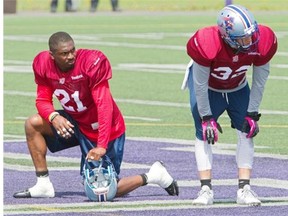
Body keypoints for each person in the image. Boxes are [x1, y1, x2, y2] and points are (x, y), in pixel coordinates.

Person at [13, 31, 179, 199]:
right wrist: (53, 116)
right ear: (52, 55)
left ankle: (153, 175)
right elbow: (42, 99)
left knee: (102, 192)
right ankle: (43, 185)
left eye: (72, 50)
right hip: (75, 120)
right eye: (64, 53)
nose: (71, 56)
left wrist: (101, 145)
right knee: (33, 123)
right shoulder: (43, 63)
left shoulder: (90, 62)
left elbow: (104, 106)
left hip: (100, 127)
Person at [182, 4, 277, 206]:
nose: (251, 41)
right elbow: (199, 84)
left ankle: (244, 189)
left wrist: (252, 112)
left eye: (252, 35)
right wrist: (206, 117)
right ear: (226, 36)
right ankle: (205, 189)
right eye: (244, 38)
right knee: (203, 133)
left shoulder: (262, 43)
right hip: (208, 88)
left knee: (246, 130)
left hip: (238, 86)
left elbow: (260, 80)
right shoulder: (207, 42)